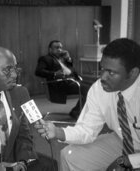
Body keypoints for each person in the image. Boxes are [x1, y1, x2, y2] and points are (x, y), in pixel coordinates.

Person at [34, 38, 140, 170]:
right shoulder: (99, 89)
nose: (103, 77)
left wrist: (130, 161)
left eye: (111, 72)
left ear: (133, 73)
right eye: (102, 69)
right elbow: (87, 130)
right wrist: (58, 131)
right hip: (122, 140)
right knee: (70, 155)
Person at [35, 40, 90, 119]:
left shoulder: (62, 58)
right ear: (50, 49)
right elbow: (38, 71)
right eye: (56, 48)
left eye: (60, 47)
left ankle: (77, 110)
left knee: (92, 87)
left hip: (71, 81)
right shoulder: (45, 58)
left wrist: (68, 58)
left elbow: (71, 69)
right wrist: (54, 74)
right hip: (60, 84)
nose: (59, 49)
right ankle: (76, 111)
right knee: (88, 89)